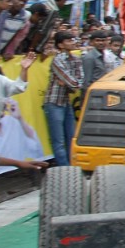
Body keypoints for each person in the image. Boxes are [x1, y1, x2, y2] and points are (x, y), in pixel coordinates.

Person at [45, 31, 84, 167]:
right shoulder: (57, 59)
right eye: (68, 41)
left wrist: (71, 84)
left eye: (72, 40)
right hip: (54, 101)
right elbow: (72, 82)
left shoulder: (76, 59)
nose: (72, 42)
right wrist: (72, 84)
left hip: (65, 101)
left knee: (71, 137)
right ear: (60, 45)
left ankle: (72, 167)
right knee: (59, 140)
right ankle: (64, 169)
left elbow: (78, 81)